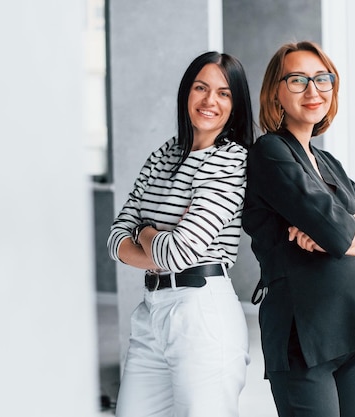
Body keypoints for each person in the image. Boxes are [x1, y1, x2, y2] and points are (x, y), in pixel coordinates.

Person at [242, 41, 355, 417]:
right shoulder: (270, 152)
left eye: (322, 79)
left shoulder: (329, 162)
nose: (313, 90)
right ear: (275, 92)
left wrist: (351, 227)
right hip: (303, 333)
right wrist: (351, 229)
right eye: (297, 80)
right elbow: (340, 233)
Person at [107, 51, 255, 417]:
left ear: (235, 105)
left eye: (224, 93)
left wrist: (141, 230)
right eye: (200, 88)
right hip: (150, 313)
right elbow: (115, 240)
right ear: (186, 93)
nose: (209, 100)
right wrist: (154, 236)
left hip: (201, 313)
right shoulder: (163, 155)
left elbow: (179, 254)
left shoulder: (231, 161)